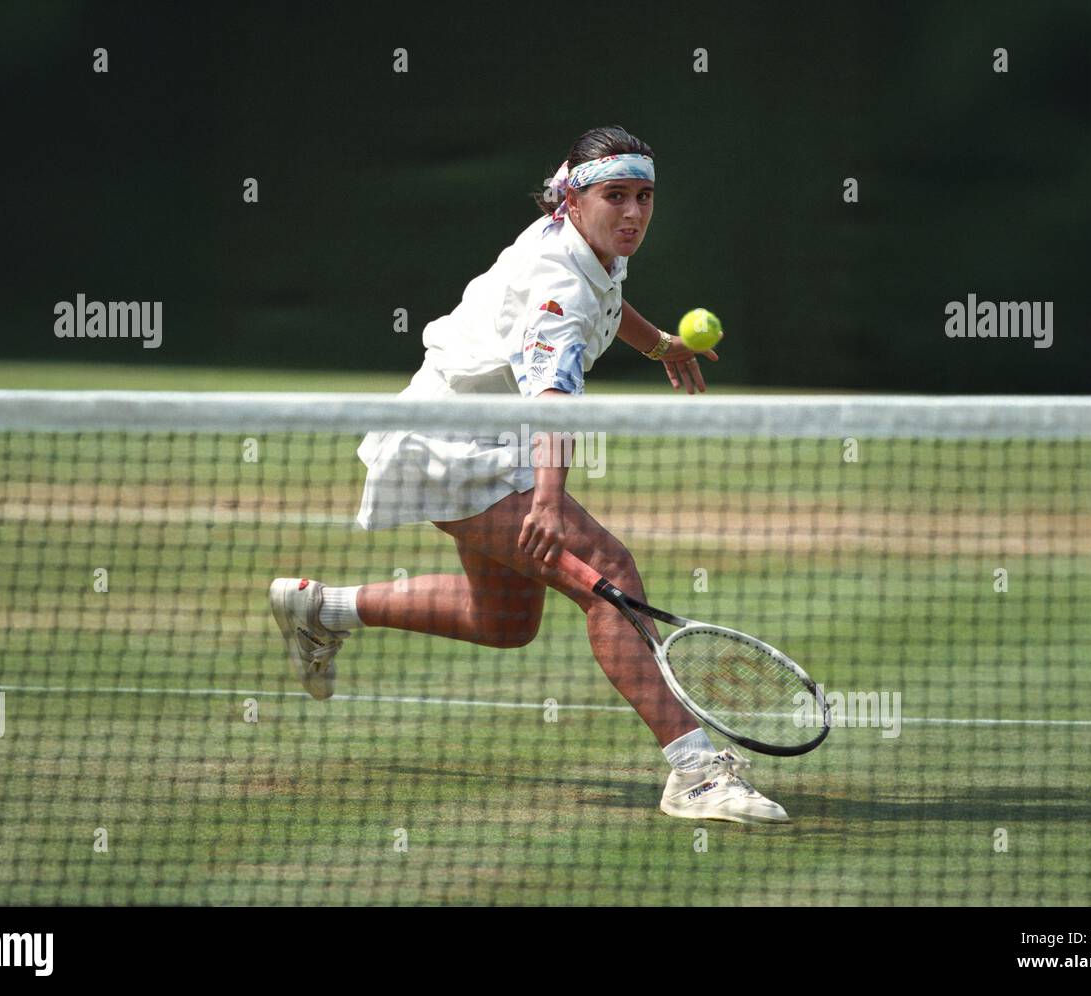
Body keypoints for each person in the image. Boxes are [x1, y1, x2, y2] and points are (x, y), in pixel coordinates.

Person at [269, 125, 788, 824]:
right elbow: (553, 401)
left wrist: (657, 342)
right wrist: (546, 499)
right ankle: (695, 773)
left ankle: (320, 610)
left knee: (505, 619)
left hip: (477, 435)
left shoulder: (585, 245)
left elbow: (609, 303)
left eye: (644, 197)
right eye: (616, 197)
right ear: (573, 200)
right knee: (609, 573)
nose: (633, 213)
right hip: (452, 449)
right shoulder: (556, 289)